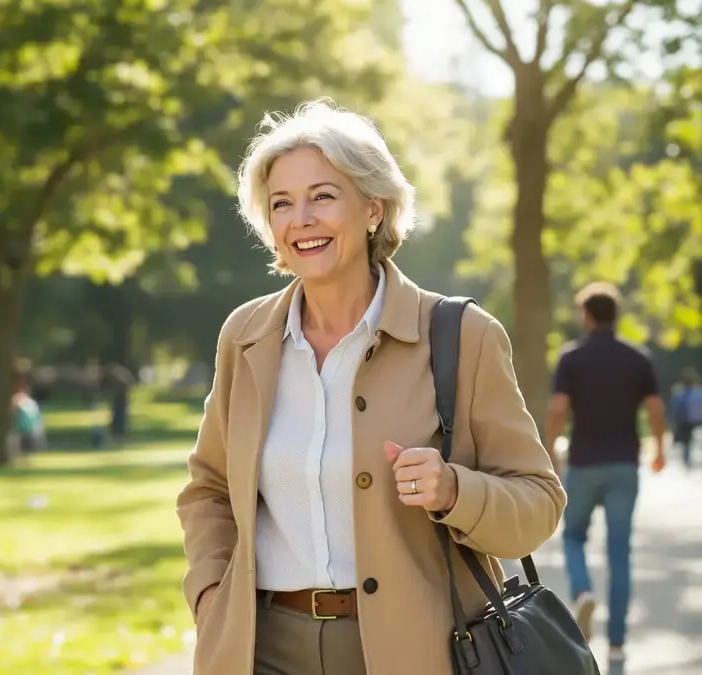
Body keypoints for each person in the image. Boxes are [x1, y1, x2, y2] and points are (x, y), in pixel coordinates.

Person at [176, 99, 566, 675]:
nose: (300, 219)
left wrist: (453, 490)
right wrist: (210, 594)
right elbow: (208, 489)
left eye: (322, 196)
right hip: (262, 650)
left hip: (418, 651)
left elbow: (539, 503)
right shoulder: (246, 336)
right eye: (281, 203)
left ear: (373, 210)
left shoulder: (463, 335)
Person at [545, 282, 666, 662]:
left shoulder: (572, 357)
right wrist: (660, 449)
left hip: (583, 464)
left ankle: (582, 592)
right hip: (624, 465)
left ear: (587, 316)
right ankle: (616, 643)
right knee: (619, 552)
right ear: (616, 315)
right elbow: (655, 407)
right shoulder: (638, 358)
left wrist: (550, 452)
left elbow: (558, 408)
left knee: (572, 536)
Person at [670, 367, 702, 468]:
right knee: (691, 441)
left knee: (687, 441)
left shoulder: (679, 392)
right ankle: (688, 459)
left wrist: (674, 420)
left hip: (684, 420)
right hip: (695, 419)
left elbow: (675, 408)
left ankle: (686, 460)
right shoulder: (697, 392)